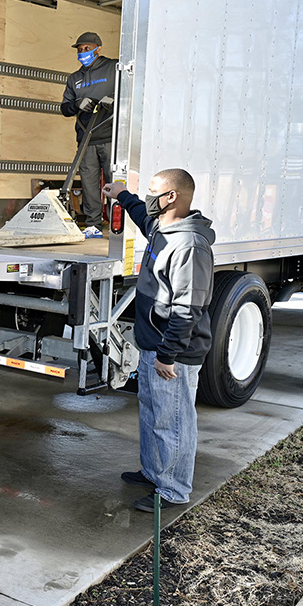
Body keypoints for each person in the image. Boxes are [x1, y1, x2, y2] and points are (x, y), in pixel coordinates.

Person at [102, 169, 216, 513]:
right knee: (152, 413)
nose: (148, 196)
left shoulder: (190, 246)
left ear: (172, 197)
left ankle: (173, 489)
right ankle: (154, 472)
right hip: (153, 344)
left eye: (154, 191)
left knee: (173, 421)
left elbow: (188, 307)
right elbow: (140, 215)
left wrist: (168, 354)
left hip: (173, 354)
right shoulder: (162, 228)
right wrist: (122, 195)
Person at [61, 31, 118, 238]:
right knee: (89, 183)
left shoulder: (113, 67)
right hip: (86, 139)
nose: (83, 53)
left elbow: (132, 90)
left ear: (98, 49)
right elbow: (65, 108)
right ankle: (93, 224)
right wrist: (77, 104)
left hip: (111, 137)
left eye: (86, 49)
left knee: (115, 183)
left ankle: (117, 225)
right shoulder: (75, 79)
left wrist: (114, 98)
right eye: (80, 50)